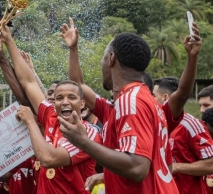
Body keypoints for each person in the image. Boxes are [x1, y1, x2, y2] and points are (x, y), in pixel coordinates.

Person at [57, 17, 179, 193]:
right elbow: (78, 85)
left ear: (111, 59)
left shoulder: (131, 100)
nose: (102, 63)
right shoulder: (147, 101)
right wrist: (72, 48)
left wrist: (83, 142)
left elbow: (137, 168)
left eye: (103, 57)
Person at [0, 21, 102, 194]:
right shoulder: (51, 116)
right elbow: (29, 82)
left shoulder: (87, 134)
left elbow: (48, 158)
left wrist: (31, 121)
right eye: (59, 98)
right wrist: (9, 41)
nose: (65, 102)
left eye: (72, 97)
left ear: (82, 104)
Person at [154, 77, 213, 194]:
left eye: (153, 96)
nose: (150, 100)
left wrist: (176, 167)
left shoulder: (190, 124)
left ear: (165, 98)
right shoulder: (156, 125)